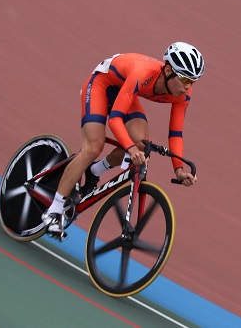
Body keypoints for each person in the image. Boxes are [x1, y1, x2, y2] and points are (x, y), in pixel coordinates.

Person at [42, 41, 205, 235]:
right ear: (168, 70)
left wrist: (178, 169)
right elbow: (115, 120)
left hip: (125, 92)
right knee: (94, 147)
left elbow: (176, 133)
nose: (188, 87)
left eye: (193, 82)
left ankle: (95, 170)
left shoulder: (183, 95)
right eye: (185, 80)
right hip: (102, 85)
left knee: (142, 145)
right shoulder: (143, 73)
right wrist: (130, 149)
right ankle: (54, 210)